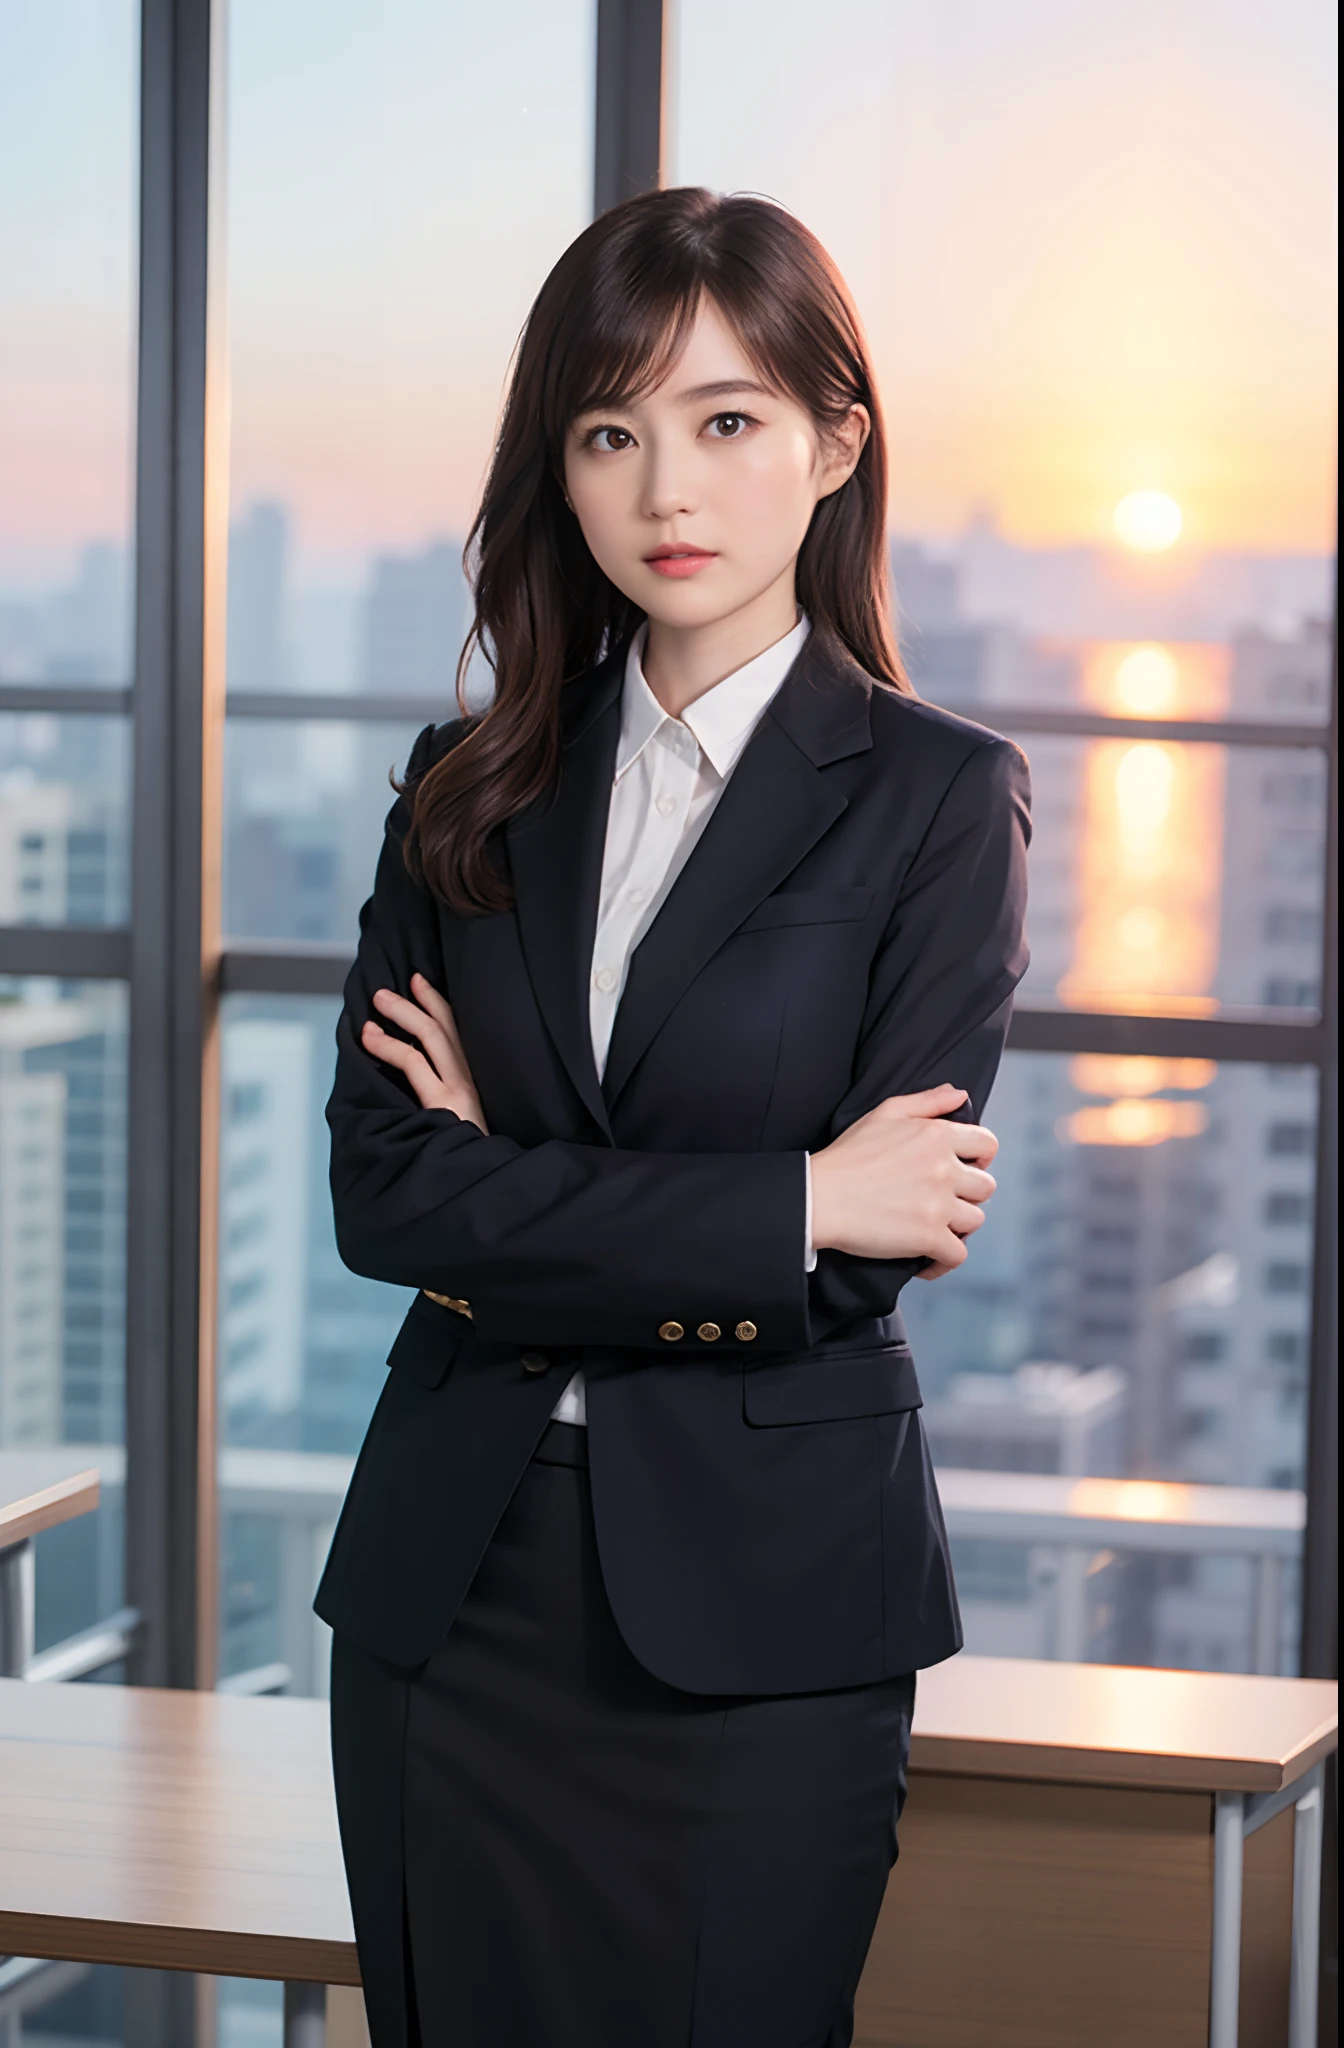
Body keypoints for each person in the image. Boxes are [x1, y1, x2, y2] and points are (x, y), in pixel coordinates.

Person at [317, 185, 1030, 2048]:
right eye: (609, 434)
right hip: (450, 1602)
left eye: (725, 424)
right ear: (559, 469)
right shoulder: (467, 789)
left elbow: (874, 1264)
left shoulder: (942, 802)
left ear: (833, 442)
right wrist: (790, 1194)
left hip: (766, 1624)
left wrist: (519, 1191)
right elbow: (389, 1202)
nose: (666, 494)